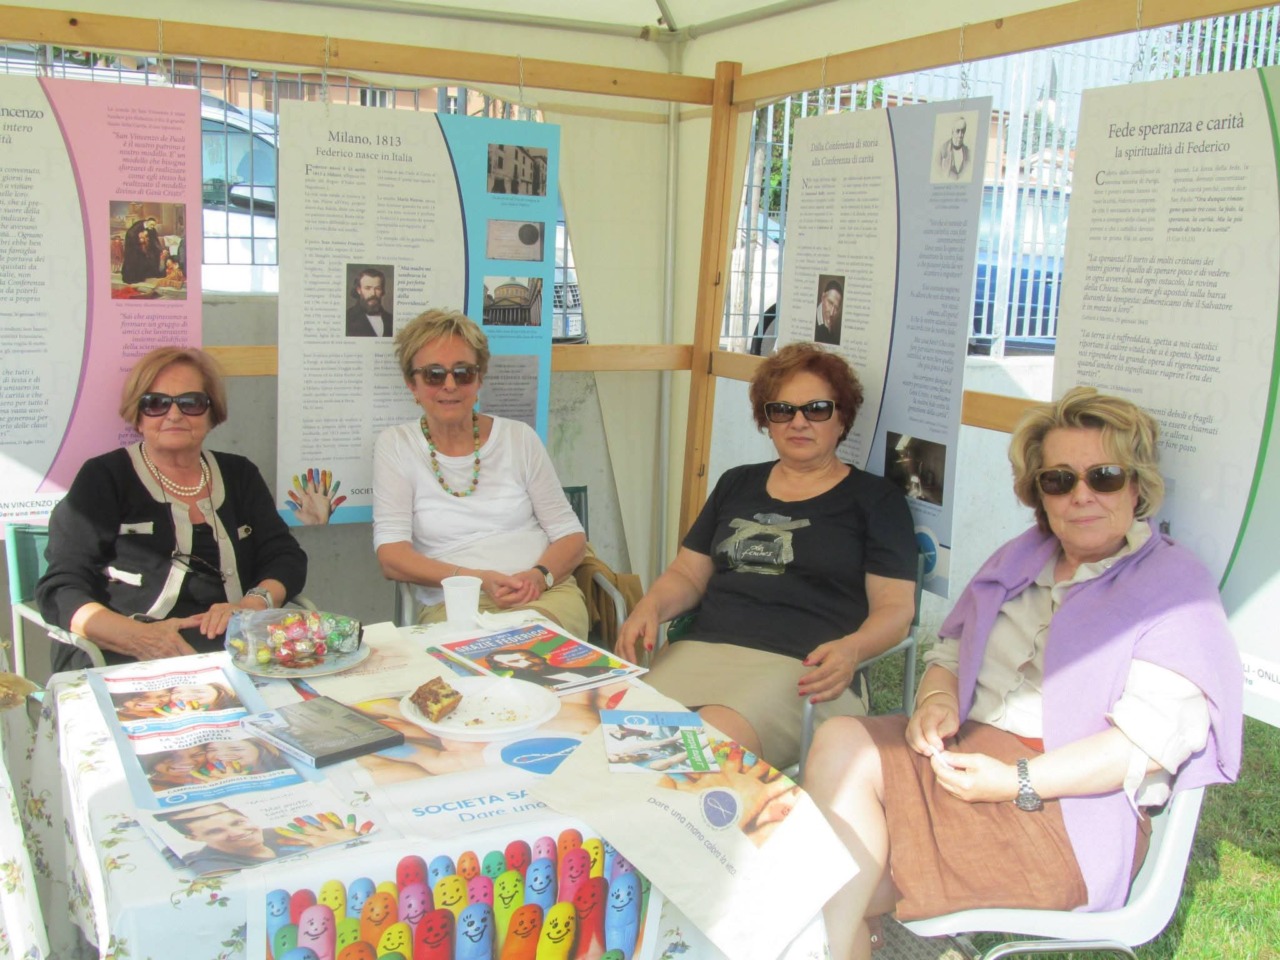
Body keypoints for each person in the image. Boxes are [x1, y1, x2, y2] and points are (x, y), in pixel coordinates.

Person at [804, 386, 1243, 960]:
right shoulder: (1023, 556)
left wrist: (1019, 780)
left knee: (832, 872)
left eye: (1104, 476)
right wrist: (937, 699)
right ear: (1040, 494)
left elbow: (1145, 746)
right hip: (967, 758)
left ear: (1137, 486)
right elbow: (951, 651)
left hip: (1064, 811)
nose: (1081, 495)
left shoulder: (1173, 587)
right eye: (1059, 480)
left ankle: (837, 939)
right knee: (841, 750)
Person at [616, 343, 917, 769]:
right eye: (782, 410)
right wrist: (650, 605)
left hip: (803, 669)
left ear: (842, 417)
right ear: (766, 420)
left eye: (816, 409)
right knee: (621, 738)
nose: (798, 422)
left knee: (698, 754)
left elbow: (895, 609)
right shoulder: (737, 483)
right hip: (703, 651)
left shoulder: (874, 501)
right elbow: (688, 573)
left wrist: (852, 650)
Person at [37, 346, 308, 673]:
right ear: (137, 415)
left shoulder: (240, 474)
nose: (174, 414)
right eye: (156, 403)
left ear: (211, 412)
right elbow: (60, 588)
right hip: (128, 656)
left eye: (190, 402)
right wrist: (139, 638)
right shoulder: (105, 477)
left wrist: (252, 605)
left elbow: (285, 556)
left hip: (238, 653)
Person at [372, 309, 588, 637]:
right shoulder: (396, 446)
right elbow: (392, 557)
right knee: (485, 667)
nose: (449, 385)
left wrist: (539, 576)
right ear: (411, 383)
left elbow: (571, 535)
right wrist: (474, 578)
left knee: (532, 653)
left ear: (480, 378)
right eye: (433, 374)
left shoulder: (519, 438)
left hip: (542, 595)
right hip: (456, 602)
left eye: (463, 372)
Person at [157, 803, 364, 875]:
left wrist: (349, 842)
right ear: (193, 837)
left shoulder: (278, 833)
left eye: (237, 822)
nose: (236, 833)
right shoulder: (211, 864)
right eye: (215, 831)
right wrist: (334, 852)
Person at [346, 267, 393, 336]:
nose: (373, 293)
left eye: (377, 288)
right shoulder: (347, 318)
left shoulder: (390, 318)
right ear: (359, 290)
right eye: (367, 288)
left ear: (382, 291)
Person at [121, 216, 163, 283]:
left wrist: (159, 249)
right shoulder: (137, 227)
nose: (152, 226)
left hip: (145, 248)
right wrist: (139, 242)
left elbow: (155, 240)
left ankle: (150, 273)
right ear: (147, 222)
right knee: (136, 259)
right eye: (151, 224)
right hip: (134, 247)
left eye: (154, 225)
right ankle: (134, 278)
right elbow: (130, 235)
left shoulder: (151, 229)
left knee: (154, 254)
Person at [936, 115, 971, 180]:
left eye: (963, 131)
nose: (960, 135)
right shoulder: (942, 150)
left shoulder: (968, 152)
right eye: (958, 131)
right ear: (952, 131)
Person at [814, 280, 843, 345]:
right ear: (823, 297)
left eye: (836, 308)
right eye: (830, 302)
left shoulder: (833, 328)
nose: (832, 312)